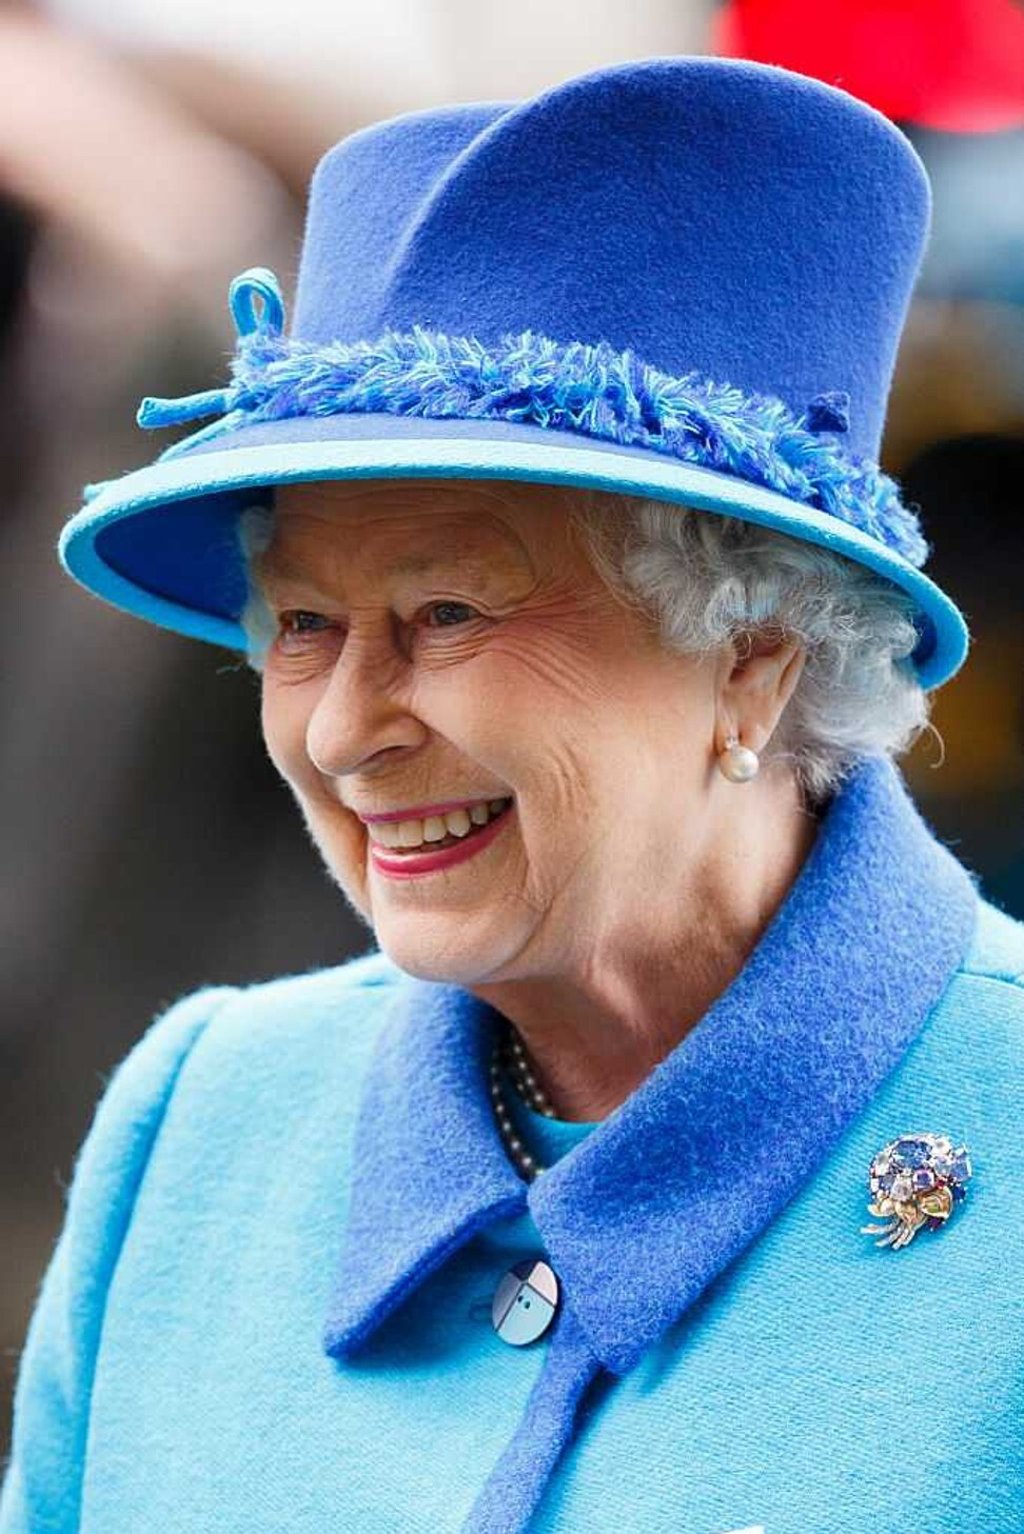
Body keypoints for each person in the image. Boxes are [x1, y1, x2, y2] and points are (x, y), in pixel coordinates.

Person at [3, 55, 1022, 1534]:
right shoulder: (201, 1121)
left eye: (449, 616)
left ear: (752, 659)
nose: (342, 731)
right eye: (303, 624)